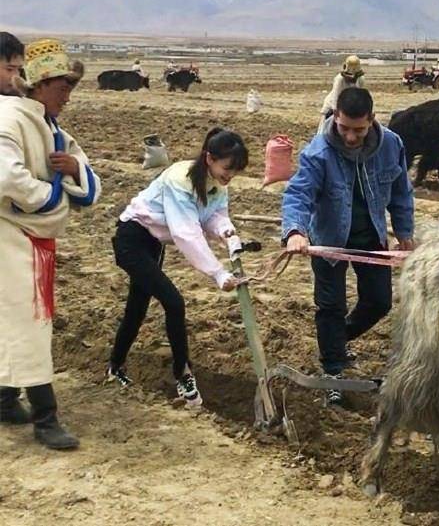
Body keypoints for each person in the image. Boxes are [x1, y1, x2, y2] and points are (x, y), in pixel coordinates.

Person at [282, 87, 414, 406]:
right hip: (329, 239)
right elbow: (298, 194)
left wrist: (405, 232)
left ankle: (336, 343)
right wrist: (295, 231)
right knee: (331, 306)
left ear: (372, 120)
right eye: (344, 128)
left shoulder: (391, 145)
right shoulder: (318, 153)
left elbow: (401, 192)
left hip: (372, 237)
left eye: (359, 129)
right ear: (335, 118)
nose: (351, 137)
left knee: (379, 301)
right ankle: (334, 372)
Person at [0, 38, 101, 450]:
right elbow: (7, 177)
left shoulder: (50, 125)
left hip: (30, 238)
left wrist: (75, 169)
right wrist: (50, 196)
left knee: (14, 320)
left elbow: (91, 181)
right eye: (63, 88)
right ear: (40, 85)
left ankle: (5, 400)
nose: (68, 97)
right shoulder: (9, 120)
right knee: (30, 322)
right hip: (11, 236)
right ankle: (46, 417)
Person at [108, 128, 249, 408]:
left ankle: (115, 368)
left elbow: (214, 217)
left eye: (235, 170)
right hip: (132, 239)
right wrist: (217, 273)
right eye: (227, 167)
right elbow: (186, 232)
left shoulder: (217, 184)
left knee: (137, 306)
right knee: (174, 302)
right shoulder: (180, 179)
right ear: (209, 158)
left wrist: (228, 234)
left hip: (152, 244)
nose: (230, 175)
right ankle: (183, 374)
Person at [317, 55, 366, 134]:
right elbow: (336, 96)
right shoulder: (340, 79)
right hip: (334, 105)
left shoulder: (360, 78)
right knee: (327, 129)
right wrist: (336, 112)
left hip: (349, 105)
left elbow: (362, 95)